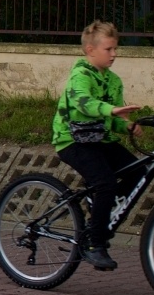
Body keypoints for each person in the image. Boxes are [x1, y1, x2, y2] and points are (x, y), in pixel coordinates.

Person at [53, 20, 141, 271]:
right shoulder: (80, 75)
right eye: (108, 49)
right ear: (90, 50)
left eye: (116, 49)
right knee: (106, 183)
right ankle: (95, 242)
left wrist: (128, 126)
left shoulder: (113, 81)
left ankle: (102, 206)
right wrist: (111, 109)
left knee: (138, 170)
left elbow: (112, 121)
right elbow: (84, 103)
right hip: (73, 139)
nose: (114, 54)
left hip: (99, 138)